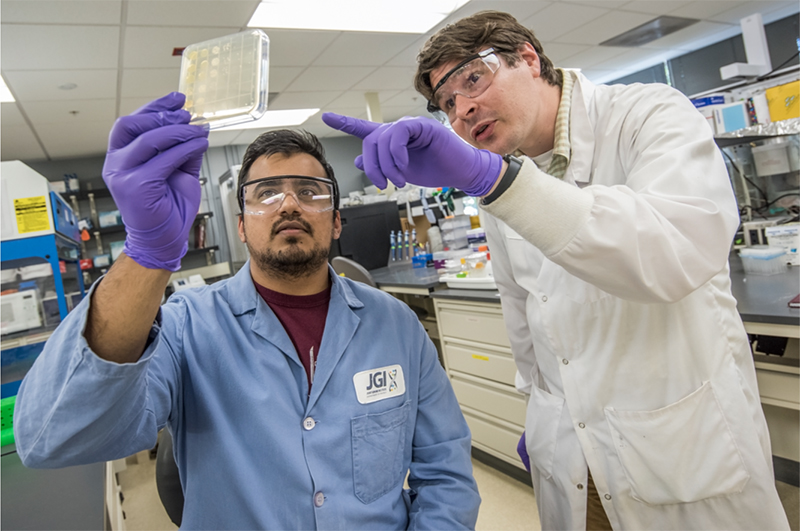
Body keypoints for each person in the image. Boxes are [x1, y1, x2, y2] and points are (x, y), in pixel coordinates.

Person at [322, 10, 791, 531]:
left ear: (527, 56)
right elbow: (523, 312)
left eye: (473, 79)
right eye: (447, 103)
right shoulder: (504, 174)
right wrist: (537, 412)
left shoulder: (648, 115)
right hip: (570, 458)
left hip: (680, 454)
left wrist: (497, 182)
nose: (463, 108)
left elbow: (674, 254)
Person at [13, 92, 480, 530]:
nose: (290, 204)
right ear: (241, 225)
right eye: (266, 192)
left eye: (310, 191)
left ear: (337, 220)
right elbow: (52, 436)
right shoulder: (185, 326)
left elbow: (446, 471)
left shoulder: (395, 324)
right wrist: (147, 254)